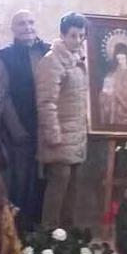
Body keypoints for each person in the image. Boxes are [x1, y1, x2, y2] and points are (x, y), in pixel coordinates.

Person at [0, 9, 51, 231]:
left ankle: (44, 234)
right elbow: (3, 95)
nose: (27, 27)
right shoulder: (4, 56)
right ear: (13, 29)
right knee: (21, 183)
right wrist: (17, 129)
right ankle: (19, 232)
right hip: (19, 131)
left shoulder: (49, 51)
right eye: (21, 24)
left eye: (30, 22)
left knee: (45, 183)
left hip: (47, 128)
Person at [35, 12, 89, 229]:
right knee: (57, 190)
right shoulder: (52, 61)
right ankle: (48, 239)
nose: (77, 41)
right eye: (73, 36)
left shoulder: (79, 59)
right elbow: (47, 102)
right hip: (60, 138)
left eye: (81, 36)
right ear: (63, 35)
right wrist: (54, 136)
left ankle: (68, 240)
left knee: (72, 192)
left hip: (76, 135)